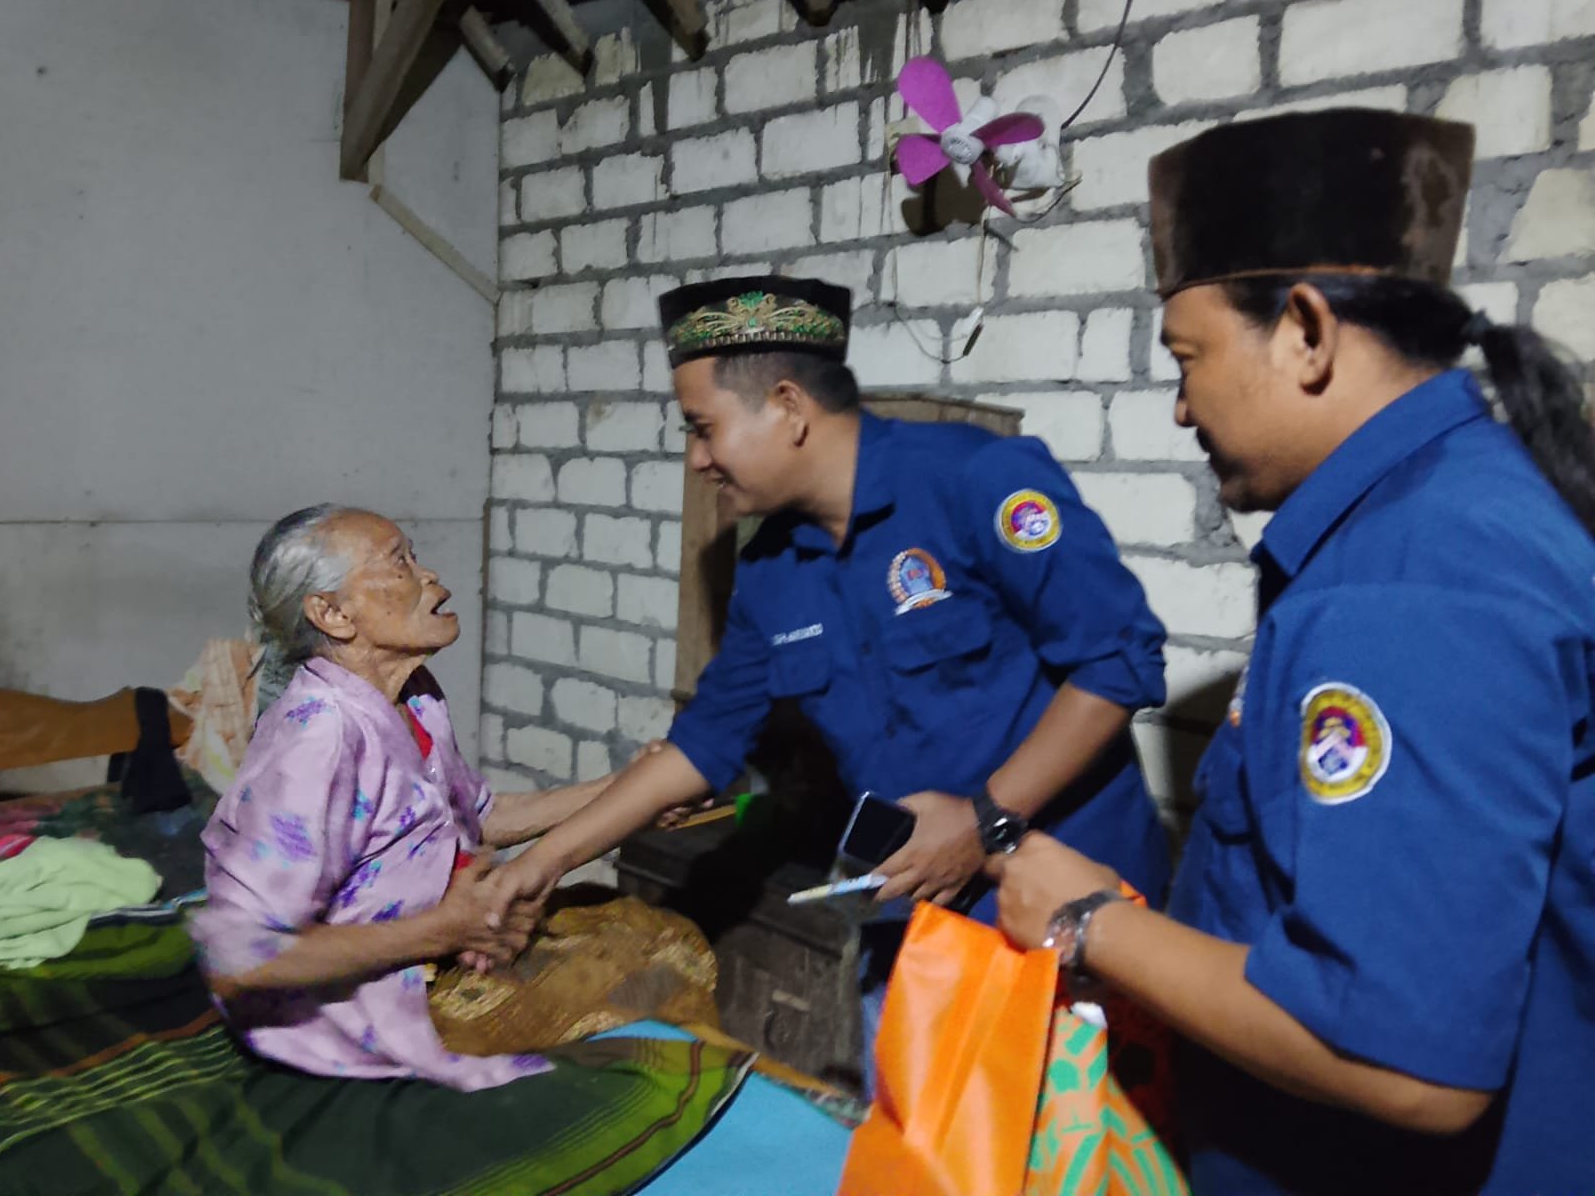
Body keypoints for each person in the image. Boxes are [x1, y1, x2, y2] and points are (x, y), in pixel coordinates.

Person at [990, 108, 1595, 1194]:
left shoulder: (1410, 580)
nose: (1181, 408)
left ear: (1307, 332)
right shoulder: (1460, 510)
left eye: (1189, 357)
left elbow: (1403, 1060)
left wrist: (1087, 923)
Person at [481, 275, 1171, 1078]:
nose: (697, 459)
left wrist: (985, 819)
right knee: (911, 1141)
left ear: (788, 406)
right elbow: (703, 746)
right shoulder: (772, 569)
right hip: (918, 926)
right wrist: (544, 861)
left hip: (1070, 919)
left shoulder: (973, 479)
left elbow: (1117, 662)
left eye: (703, 429)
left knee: (1079, 1143)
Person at [191, 505, 631, 1090]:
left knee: (628, 935)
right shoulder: (320, 736)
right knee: (632, 1001)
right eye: (399, 562)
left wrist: (631, 787)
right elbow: (238, 956)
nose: (432, 578)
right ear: (333, 614)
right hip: (342, 1013)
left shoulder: (415, 696)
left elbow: (474, 815)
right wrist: (445, 930)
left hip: (425, 960)